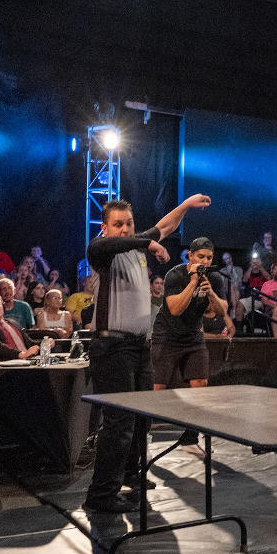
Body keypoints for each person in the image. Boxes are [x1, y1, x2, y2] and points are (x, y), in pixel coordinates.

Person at [83, 195, 211, 514]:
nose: (125, 230)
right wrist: (149, 242)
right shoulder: (100, 250)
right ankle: (100, 494)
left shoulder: (138, 248)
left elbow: (165, 226)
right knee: (118, 421)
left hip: (139, 346)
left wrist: (185, 205)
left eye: (129, 224)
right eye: (118, 225)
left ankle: (130, 473)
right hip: (111, 346)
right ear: (105, 227)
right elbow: (140, 238)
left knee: (142, 417)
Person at [151, 236, 227, 447]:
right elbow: (175, 309)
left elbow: (221, 312)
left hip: (193, 336)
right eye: (200, 256)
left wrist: (210, 292)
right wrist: (193, 282)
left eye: (209, 258)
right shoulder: (174, 275)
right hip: (167, 335)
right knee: (157, 387)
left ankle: (191, 434)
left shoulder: (215, 279)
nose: (204, 261)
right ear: (190, 256)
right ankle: (141, 433)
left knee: (200, 385)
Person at [0, 290, 40, 361]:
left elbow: (29, 343)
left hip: (26, 362)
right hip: (6, 367)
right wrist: (22, 354)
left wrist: (45, 344)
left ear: (3, 306)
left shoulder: (12, 322)